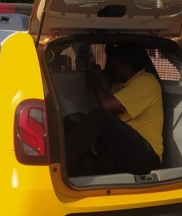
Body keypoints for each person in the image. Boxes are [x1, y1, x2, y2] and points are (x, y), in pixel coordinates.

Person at [65, 44, 164, 176]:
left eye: (112, 63)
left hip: (145, 155)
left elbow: (106, 105)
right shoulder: (119, 84)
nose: (108, 66)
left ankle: (61, 160)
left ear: (127, 66)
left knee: (99, 115)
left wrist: (95, 81)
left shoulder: (147, 82)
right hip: (123, 152)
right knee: (75, 119)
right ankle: (55, 157)